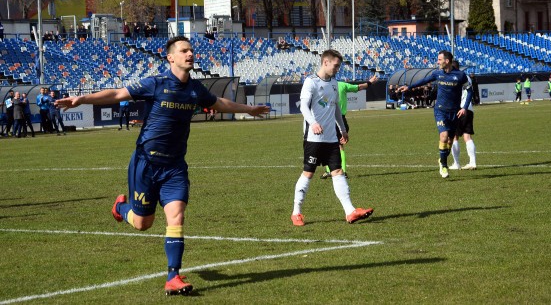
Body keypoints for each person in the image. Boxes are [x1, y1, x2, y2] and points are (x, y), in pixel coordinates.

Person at [55, 36, 270, 295]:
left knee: (176, 216)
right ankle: (121, 207)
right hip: (146, 162)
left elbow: (219, 103)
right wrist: (83, 98)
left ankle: (173, 276)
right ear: (171, 57)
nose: (190, 54)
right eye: (184, 50)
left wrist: (249, 109)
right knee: (142, 223)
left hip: (175, 167)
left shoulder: (195, 89)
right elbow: (117, 93)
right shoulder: (155, 84)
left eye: (191, 50)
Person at [291, 49, 373, 226]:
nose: (337, 69)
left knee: (337, 172)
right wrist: (313, 123)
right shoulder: (310, 82)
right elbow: (303, 107)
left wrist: (342, 129)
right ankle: (296, 212)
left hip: (331, 138)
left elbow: (335, 108)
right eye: (335, 66)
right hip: (313, 138)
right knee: (308, 173)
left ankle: (350, 211)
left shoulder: (335, 83)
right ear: (325, 62)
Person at [398, 50, 472, 179]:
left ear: (446, 61)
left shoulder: (460, 75)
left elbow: (470, 91)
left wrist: (464, 107)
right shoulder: (437, 74)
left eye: (439, 59)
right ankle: (443, 165)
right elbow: (424, 80)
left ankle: (442, 159)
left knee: (450, 141)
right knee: (443, 136)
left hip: (454, 112)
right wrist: (409, 87)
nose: (437, 62)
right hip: (440, 111)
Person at [321, 74, 378, 179]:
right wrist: (370, 82)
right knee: (338, 146)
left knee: (330, 146)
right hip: (340, 119)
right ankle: (336, 170)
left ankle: (337, 170)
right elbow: (359, 87)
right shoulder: (342, 85)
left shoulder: (325, 86)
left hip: (330, 119)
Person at [449, 60, 477, 171]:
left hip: (458, 109)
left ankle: (456, 163)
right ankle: (473, 162)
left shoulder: (453, 78)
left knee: (454, 137)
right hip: (468, 109)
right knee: (467, 136)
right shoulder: (467, 77)